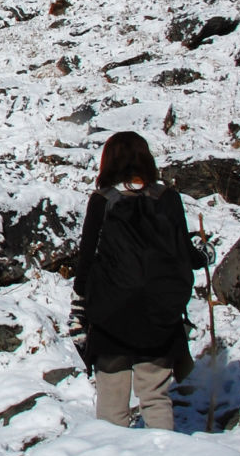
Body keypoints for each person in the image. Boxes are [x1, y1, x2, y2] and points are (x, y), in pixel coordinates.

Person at [71, 131, 207, 430]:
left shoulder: (102, 200)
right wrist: (204, 255)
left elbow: (88, 256)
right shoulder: (167, 197)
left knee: (112, 395)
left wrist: (81, 303)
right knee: (156, 395)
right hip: (159, 310)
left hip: (111, 311)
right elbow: (183, 251)